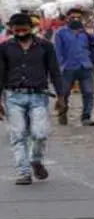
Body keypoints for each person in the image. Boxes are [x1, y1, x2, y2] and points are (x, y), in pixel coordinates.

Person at [0, 13, 65, 185]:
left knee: (40, 133)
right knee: (18, 134)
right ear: (11, 30)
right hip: (13, 96)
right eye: (17, 30)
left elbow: (55, 72)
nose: (21, 33)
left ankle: (36, 160)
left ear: (31, 28)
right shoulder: (5, 47)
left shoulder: (45, 46)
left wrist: (61, 95)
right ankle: (24, 172)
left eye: (24, 29)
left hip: (38, 96)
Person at [54, 8, 94, 127]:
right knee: (64, 93)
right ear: (67, 18)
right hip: (67, 67)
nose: (76, 19)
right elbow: (57, 51)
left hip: (85, 66)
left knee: (88, 92)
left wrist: (93, 59)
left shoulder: (86, 33)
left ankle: (86, 117)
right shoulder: (61, 33)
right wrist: (58, 67)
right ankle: (62, 113)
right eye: (73, 17)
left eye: (78, 17)